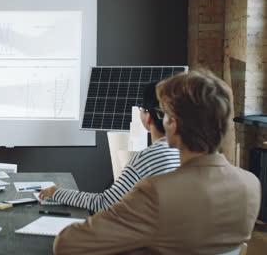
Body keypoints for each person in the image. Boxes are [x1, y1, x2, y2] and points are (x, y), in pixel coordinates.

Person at [53, 70, 261, 255]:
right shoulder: (251, 184)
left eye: (165, 114)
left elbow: (67, 244)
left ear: (173, 124)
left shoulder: (157, 191)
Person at [39, 82, 180, 213]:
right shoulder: (182, 154)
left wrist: (56, 192)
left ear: (148, 117)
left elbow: (104, 203)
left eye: (141, 108)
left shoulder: (146, 160)